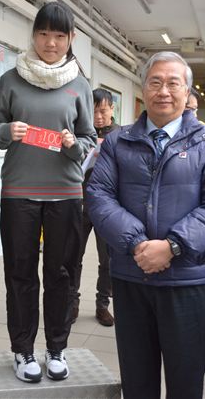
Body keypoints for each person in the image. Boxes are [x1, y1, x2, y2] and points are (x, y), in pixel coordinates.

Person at [86, 51, 205, 399]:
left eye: (173, 83)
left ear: (187, 92)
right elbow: (98, 196)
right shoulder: (118, 141)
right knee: (137, 380)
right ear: (144, 89)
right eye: (155, 82)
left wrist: (172, 246)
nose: (164, 91)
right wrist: (138, 244)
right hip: (131, 275)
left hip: (186, 279)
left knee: (185, 382)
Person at [0, 1, 96, 383]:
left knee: (62, 274)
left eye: (59, 35)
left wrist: (74, 144)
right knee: (19, 273)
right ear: (33, 35)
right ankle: (22, 350)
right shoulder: (10, 79)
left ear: (71, 38)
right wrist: (7, 132)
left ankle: (56, 348)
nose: (50, 43)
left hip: (65, 194)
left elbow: (89, 138)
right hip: (18, 192)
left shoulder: (79, 85)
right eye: (43, 34)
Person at [71, 88, 119, 327]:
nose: (98, 117)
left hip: (107, 207)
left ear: (112, 109)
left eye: (103, 111)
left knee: (107, 260)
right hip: (79, 202)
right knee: (73, 257)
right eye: (93, 111)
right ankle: (72, 303)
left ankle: (102, 305)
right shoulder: (80, 133)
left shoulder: (121, 135)